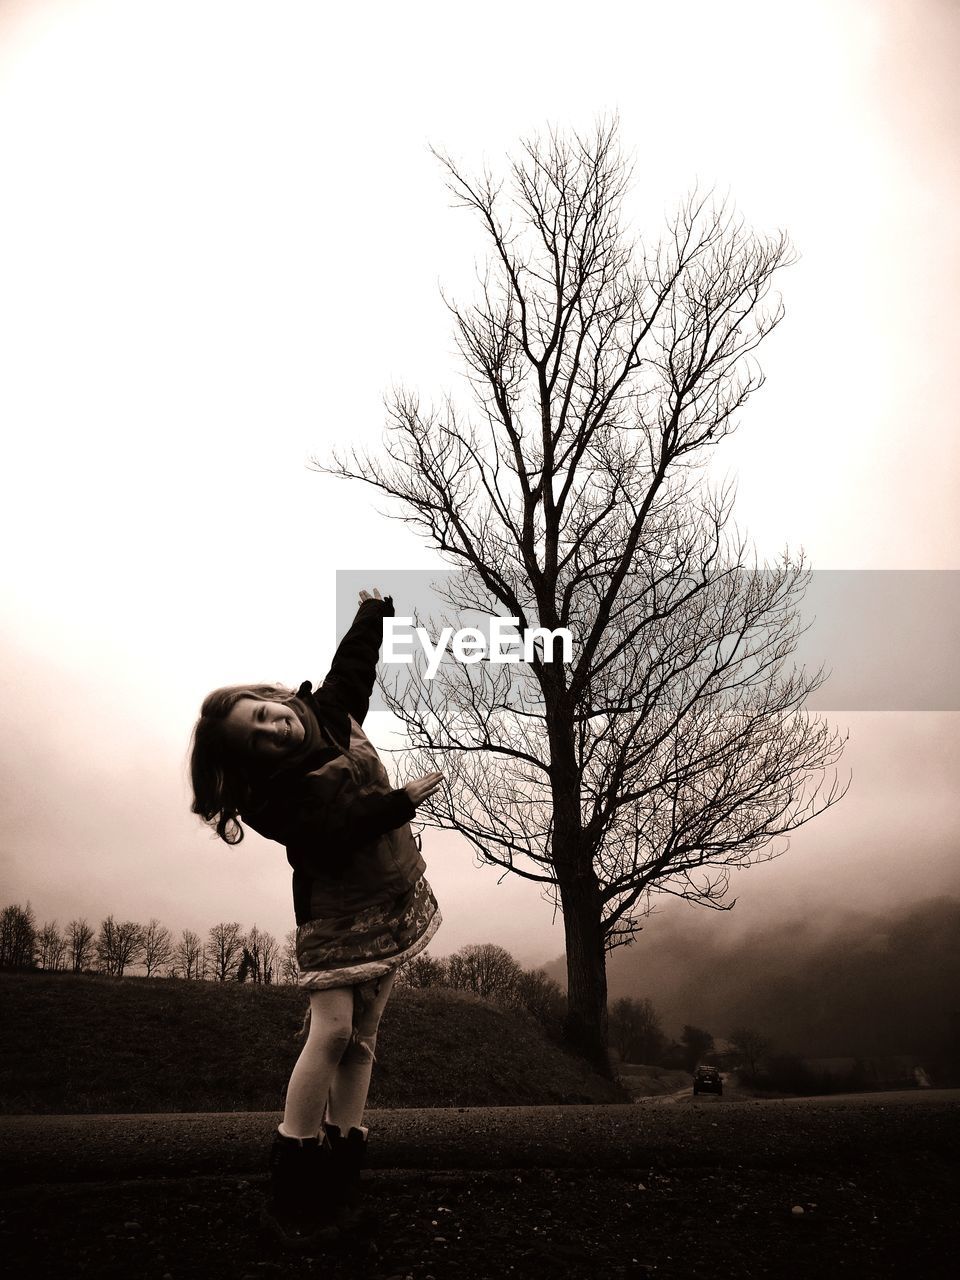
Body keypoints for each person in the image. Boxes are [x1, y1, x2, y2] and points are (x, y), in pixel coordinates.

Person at [189, 588, 443, 1248]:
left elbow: (353, 669)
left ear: (275, 696)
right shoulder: (272, 800)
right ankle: (295, 1179)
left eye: (268, 714)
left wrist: (372, 613)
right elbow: (331, 833)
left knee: (364, 1038)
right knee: (331, 1032)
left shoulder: (327, 715)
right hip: (334, 916)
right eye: (259, 738)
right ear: (252, 761)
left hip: (390, 894)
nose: (276, 729)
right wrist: (399, 801)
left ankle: (342, 1172)